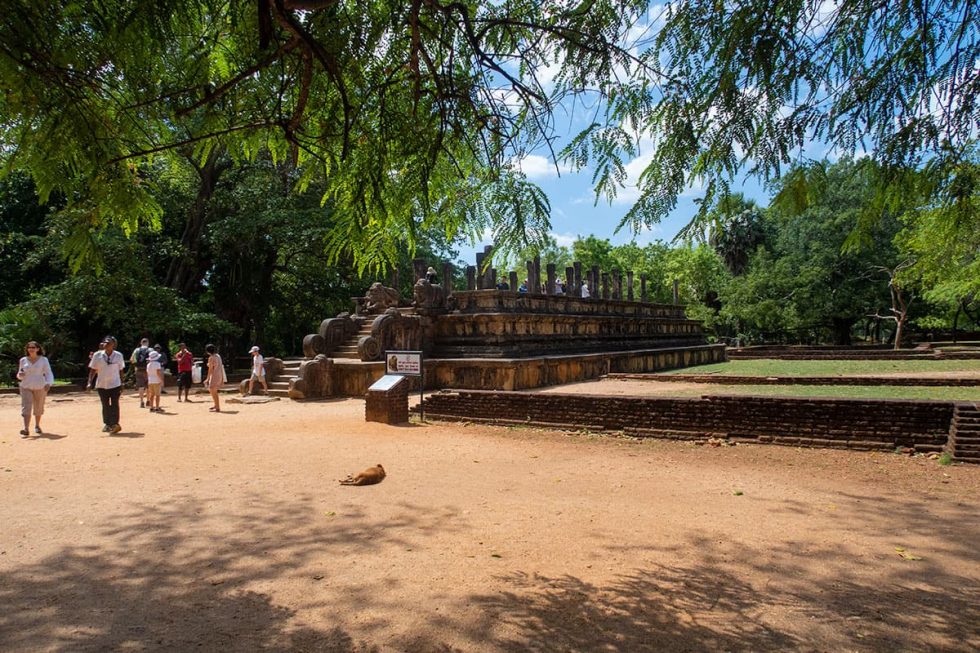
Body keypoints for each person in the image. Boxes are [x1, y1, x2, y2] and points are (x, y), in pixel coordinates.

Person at [16, 340, 54, 437]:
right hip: (26, 386)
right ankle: (26, 428)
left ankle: (37, 425)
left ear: (38, 349)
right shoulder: (23, 360)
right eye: (29, 347)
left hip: (40, 386)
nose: (31, 349)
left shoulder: (43, 360)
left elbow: (48, 373)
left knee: (38, 406)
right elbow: (20, 374)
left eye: (33, 347)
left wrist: (49, 383)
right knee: (26, 407)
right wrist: (20, 375)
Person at [89, 336, 125, 433]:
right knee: (105, 405)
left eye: (108, 343)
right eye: (105, 342)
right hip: (102, 384)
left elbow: (121, 370)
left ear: (113, 344)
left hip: (115, 384)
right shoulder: (97, 355)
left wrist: (122, 383)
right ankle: (107, 423)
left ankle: (115, 424)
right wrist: (89, 382)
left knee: (115, 404)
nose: (106, 344)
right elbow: (92, 369)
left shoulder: (118, 356)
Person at [130, 337, 151, 408]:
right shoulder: (150, 350)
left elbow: (132, 360)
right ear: (147, 343)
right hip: (147, 370)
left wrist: (136, 365)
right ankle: (148, 400)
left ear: (141, 343)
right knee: (148, 386)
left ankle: (142, 401)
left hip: (138, 369)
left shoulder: (136, 350)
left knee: (141, 386)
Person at [204, 343, 225, 412]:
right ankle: (216, 405)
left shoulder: (211, 358)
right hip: (219, 374)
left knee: (213, 390)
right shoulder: (218, 356)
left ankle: (217, 407)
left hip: (215, 375)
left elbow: (210, 369)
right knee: (213, 390)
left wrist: (207, 378)